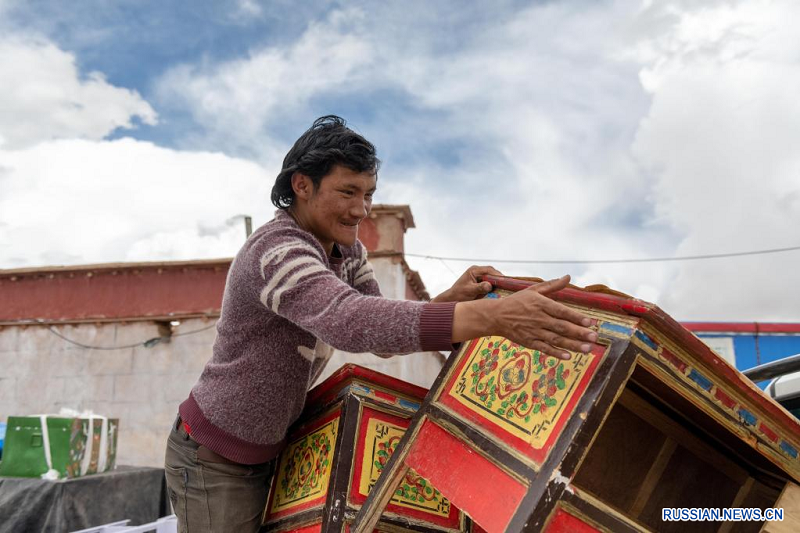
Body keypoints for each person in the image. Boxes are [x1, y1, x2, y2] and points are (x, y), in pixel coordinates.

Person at [164, 115, 597, 532]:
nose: (362, 209)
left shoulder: (347, 252)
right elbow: (348, 321)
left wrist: (451, 301)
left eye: (368, 193)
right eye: (348, 192)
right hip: (215, 457)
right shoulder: (277, 251)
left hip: (273, 450)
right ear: (302, 185)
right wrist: (489, 318)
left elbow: (378, 330)